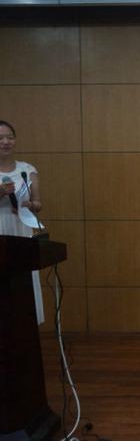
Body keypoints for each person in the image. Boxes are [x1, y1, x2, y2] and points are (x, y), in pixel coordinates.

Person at [0, 120, 45, 324]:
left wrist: (30, 204)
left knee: (23, 275)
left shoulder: (27, 169)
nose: (6, 142)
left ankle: (25, 324)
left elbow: (38, 203)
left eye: (10, 137)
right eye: (0, 138)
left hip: (21, 228)